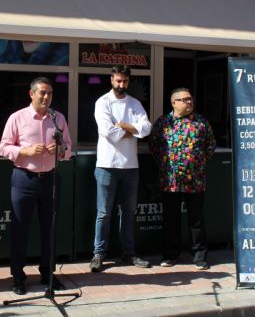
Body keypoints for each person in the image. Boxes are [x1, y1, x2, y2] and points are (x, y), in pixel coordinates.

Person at [0, 77, 73, 295]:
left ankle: (48, 274)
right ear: (31, 94)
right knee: (20, 229)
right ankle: (18, 277)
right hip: (24, 179)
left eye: (50, 93)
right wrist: (25, 151)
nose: (46, 97)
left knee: (50, 230)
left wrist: (60, 150)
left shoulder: (58, 118)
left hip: (50, 178)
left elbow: (68, 148)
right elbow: (4, 147)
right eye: (42, 93)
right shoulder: (17, 117)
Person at [90, 64, 152, 272]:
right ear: (111, 80)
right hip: (107, 165)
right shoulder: (103, 102)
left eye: (124, 81)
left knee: (129, 212)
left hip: (131, 165)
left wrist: (124, 126)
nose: (121, 85)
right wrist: (133, 131)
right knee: (104, 213)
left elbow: (146, 128)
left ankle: (129, 253)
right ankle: (98, 254)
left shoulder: (135, 103)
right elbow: (107, 131)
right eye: (118, 80)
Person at [149, 88, 216, 269]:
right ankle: (170, 255)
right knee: (171, 219)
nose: (189, 102)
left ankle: (199, 257)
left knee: (196, 219)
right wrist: (166, 164)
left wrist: (196, 162)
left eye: (190, 99)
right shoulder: (163, 122)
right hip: (170, 180)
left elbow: (210, 146)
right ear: (174, 103)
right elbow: (154, 146)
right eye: (185, 99)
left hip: (195, 179)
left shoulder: (201, 122)